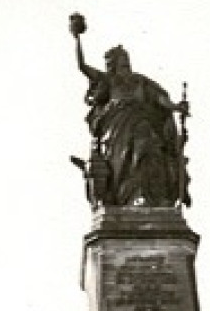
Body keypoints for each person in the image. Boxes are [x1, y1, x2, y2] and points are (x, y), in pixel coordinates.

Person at [70, 14, 190, 209]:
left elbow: (159, 98)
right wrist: (77, 39)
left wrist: (175, 107)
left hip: (140, 123)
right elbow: (82, 66)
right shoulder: (109, 81)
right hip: (116, 129)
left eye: (127, 61)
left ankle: (144, 195)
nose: (126, 65)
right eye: (122, 62)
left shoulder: (140, 81)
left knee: (147, 147)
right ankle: (129, 196)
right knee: (124, 157)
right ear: (114, 65)